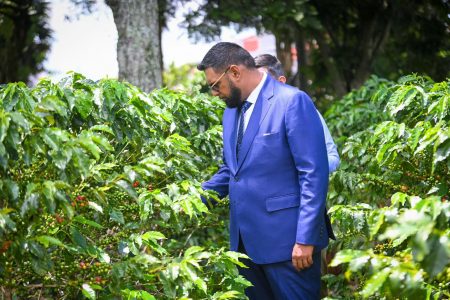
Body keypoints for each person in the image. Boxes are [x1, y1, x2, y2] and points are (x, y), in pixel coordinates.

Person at [198, 42, 334, 299]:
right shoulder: (230, 113)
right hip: (245, 246)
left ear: (235, 72)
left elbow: (313, 174)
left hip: (290, 246)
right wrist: (193, 200)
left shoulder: (292, 101)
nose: (215, 93)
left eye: (216, 85)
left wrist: (305, 240)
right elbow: (232, 170)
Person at [254, 54, 340, 173]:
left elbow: (332, 158)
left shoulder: (303, 110)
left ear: (281, 81)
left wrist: (301, 171)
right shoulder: (250, 116)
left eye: (263, 83)